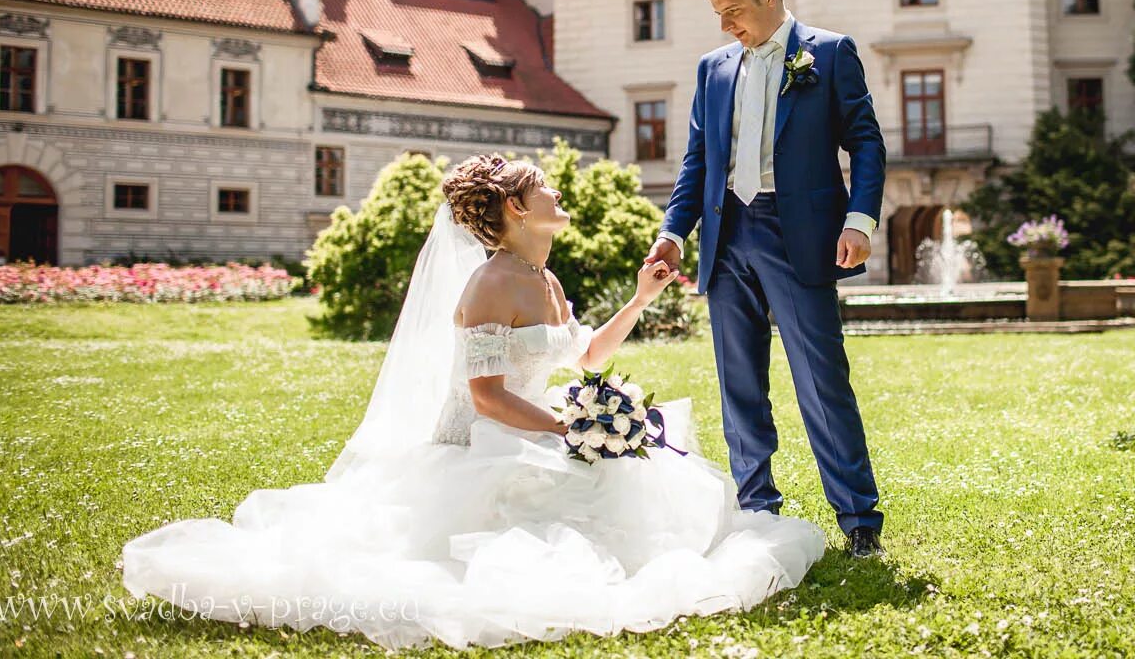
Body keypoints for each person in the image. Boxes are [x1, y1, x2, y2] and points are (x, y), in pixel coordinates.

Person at [120, 154, 827, 652]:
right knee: (570, 503)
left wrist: (640, 299)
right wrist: (568, 428)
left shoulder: (541, 277)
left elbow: (582, 358)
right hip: (482, 443)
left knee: (631, 481)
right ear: (517, 209)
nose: (557, 192)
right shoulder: (493, 285)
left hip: (534, 425)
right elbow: (486, 398)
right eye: (544, 188)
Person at [643, 0, 887, 559]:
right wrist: (674, 233)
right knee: (739, 383)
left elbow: (866, 142)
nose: (726, 26)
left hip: (797, 234)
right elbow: (698, 163)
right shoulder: (712, 69)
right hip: (726, 236)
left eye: (733, 11)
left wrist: (859, 220)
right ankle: (756, 508)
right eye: (718, 15)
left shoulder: (829, 54)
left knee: (821, 380)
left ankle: (859, 520)